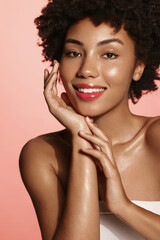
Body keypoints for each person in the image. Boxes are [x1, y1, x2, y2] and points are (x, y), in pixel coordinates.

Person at [19, 0, 160, 239]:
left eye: (109, 54)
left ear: (138, 67)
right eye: (74, 53)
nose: (86, 69)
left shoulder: (156, 138)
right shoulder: (43, 155)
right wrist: (81, 136)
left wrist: (122, 206)